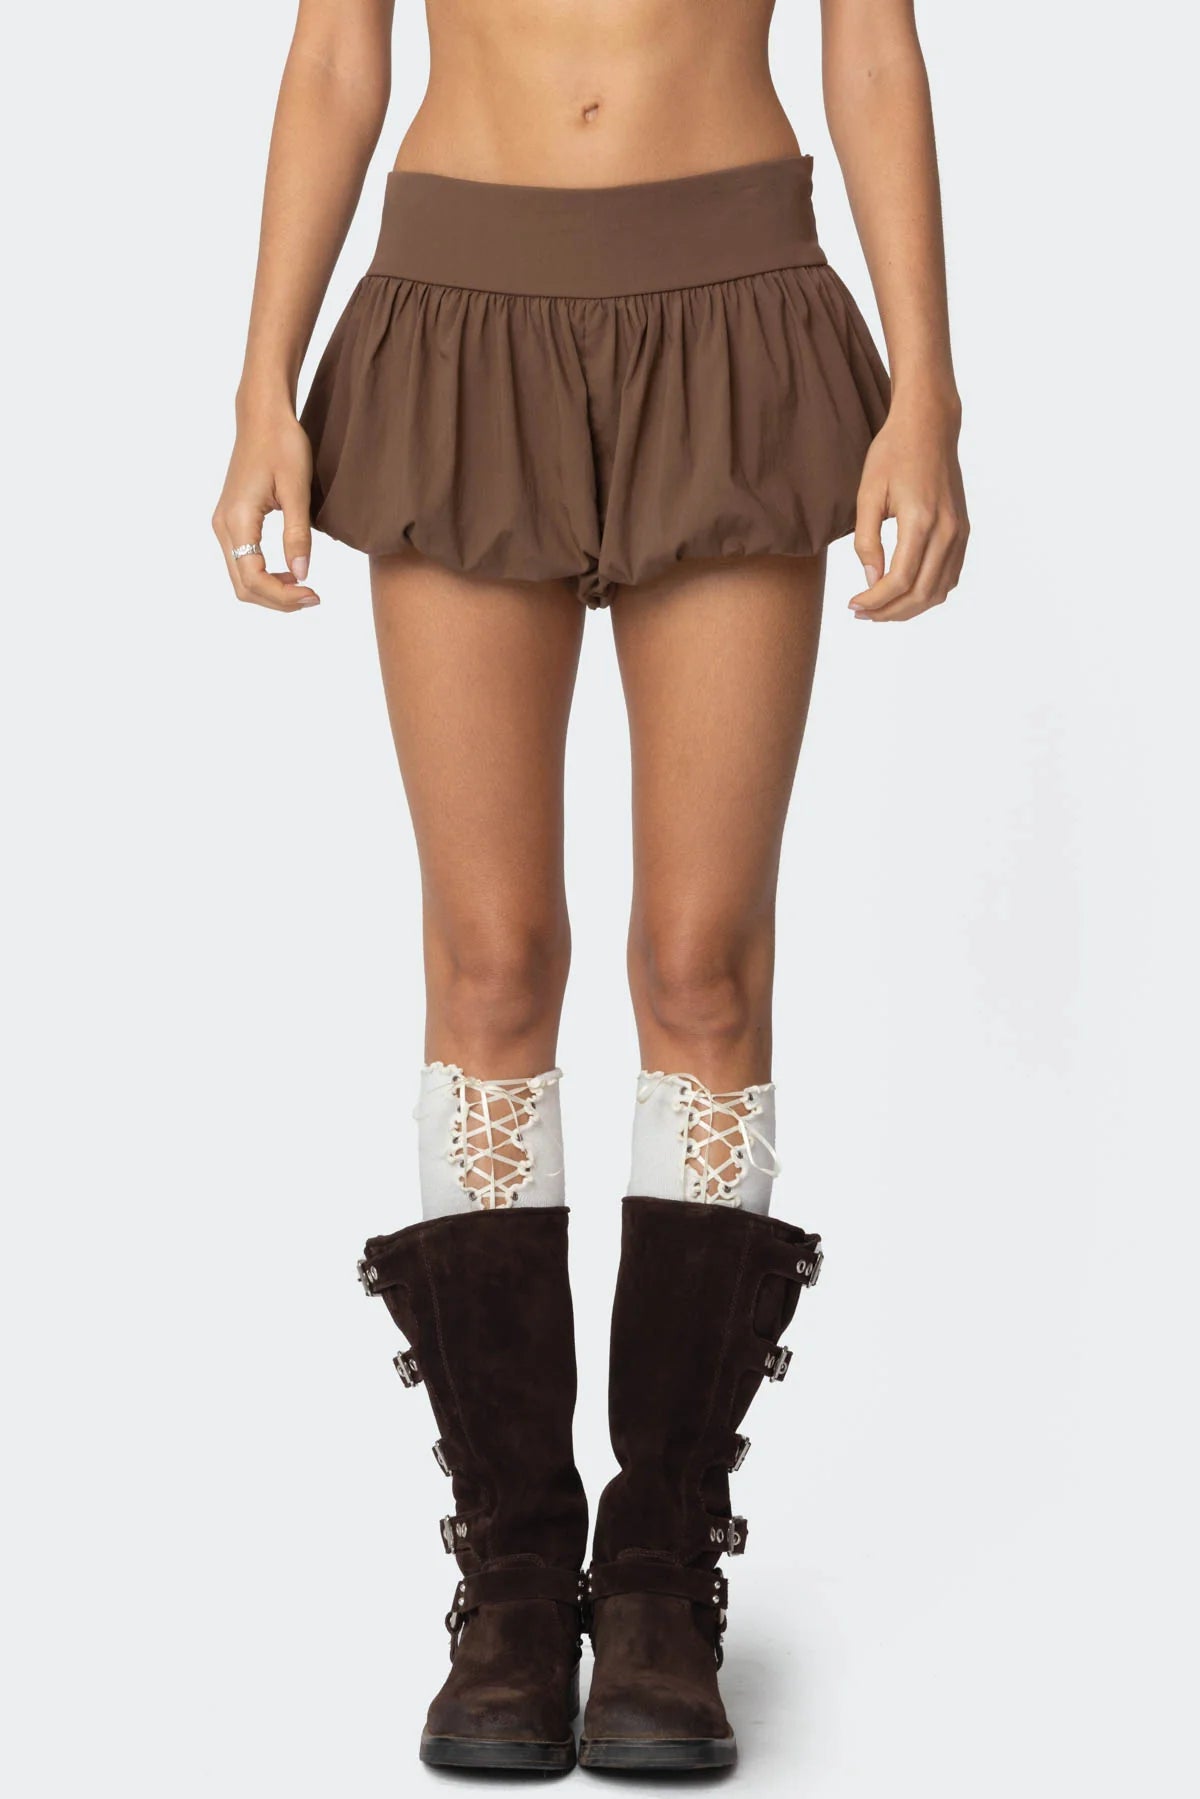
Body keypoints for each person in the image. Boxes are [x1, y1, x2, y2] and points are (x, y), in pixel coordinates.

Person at [212, 0, 968, 1774]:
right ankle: (509, 1579)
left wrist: (928, 385)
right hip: (456, 311)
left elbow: (872, 43)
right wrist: (263, 379)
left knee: (703, 965)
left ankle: (656, 1582)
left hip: (738, 304)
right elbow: (337, 53)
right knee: (490, 963)